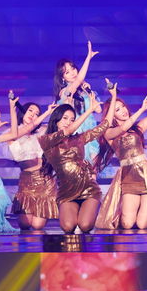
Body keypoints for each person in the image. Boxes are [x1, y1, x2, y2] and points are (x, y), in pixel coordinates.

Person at [95, 67, 147, 230]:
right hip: (128, 177)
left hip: (146, 175)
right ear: (112, 115)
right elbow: (123, 127)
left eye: (123, 107)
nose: (123, 110)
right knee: (127, 224)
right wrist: (116, 98)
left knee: (142, 224)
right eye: (117, 109)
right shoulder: (109, 133)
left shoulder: (137, 128)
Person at [39, 87, 117, 233]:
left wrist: (113, 97)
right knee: (68, 227)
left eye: (72, 120)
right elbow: (67, 131)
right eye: (65, 118)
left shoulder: (78, 138)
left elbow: (105, 124)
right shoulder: (46, 140)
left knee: (85, 225)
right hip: (66, 192)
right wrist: (89, 110)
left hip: (88, 188)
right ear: (56, 119)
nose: (69, 122)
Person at [6, 96, 59, 230]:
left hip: (44, 180)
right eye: (30, 111)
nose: (33, 115)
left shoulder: (42, 132)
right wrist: (12, 108)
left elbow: (61, 126)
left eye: (37, 114)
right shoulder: (12, 133)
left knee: (37, 225)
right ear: (23, 112)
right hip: (26, 182)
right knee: (24, 224)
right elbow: (16, 133)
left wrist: (52, 111)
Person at [53, 40, 102, 164]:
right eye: (67, 72)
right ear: (62, 78)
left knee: (93, 169)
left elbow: (98, 109)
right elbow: (79, 79)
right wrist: (88, 58)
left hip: (90, 131)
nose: (72, 73)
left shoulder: (83, 89)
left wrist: (88, 91)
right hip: (75, 132)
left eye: (73, 68)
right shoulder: (65, 91)